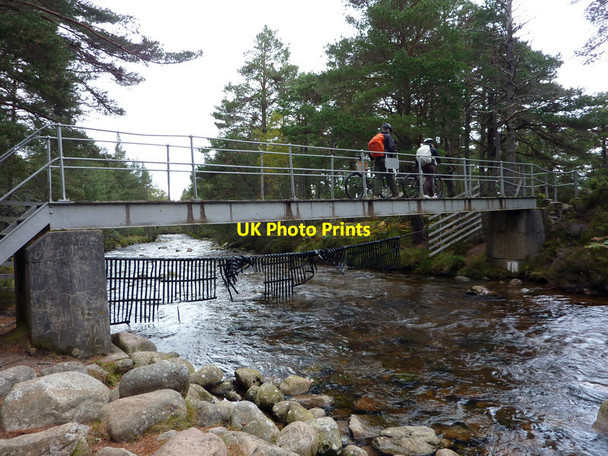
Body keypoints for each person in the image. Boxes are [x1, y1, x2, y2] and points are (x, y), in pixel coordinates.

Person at [372, 123, 403, 199]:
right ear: (388, 130)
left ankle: (376, 195)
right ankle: (395, 193)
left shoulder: (376, 137)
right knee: (389, 176)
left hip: (377, 159)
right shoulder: (388, 136)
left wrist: (373, 158)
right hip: (386, 158)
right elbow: (391, 147)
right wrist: (391, 156)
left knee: (378, 176)